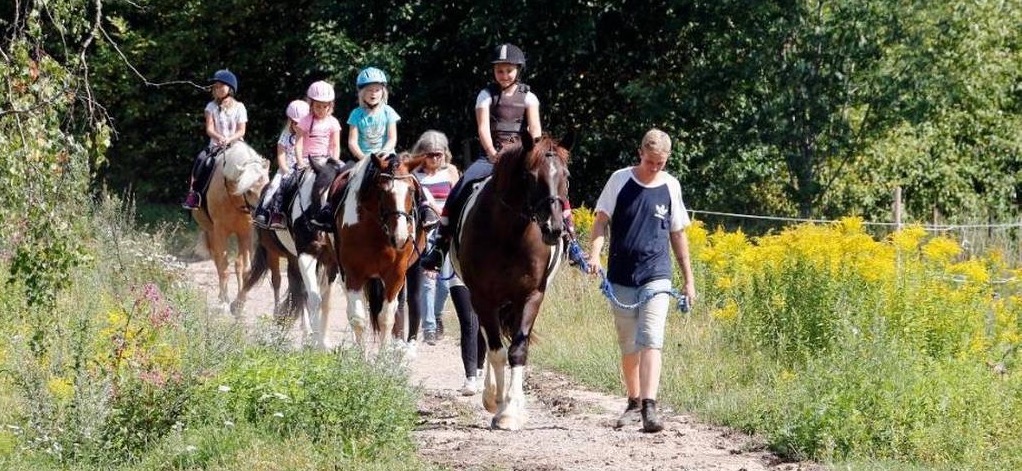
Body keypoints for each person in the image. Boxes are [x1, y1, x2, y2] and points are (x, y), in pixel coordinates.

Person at [585, 129, 697, 433]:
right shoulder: (620, 180)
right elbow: (600, 222)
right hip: (622, 273)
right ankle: (633, 401)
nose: (654, 167)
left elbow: (678, 234)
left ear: (667, 159)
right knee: (629, 344)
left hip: (657, 273)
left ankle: (650, 407)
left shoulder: (671, 186)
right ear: (640, 153)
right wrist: (595, 254)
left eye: (660, 163)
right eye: (650, 162)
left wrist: (689, 279)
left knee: (651, 338)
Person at [419, 43, 542, 270]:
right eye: (499, 71)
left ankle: (567, 232)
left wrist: (530, 153)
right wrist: (493, 154)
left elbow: (535, 129)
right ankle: (440, 245)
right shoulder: (485, 95)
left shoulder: (529, 97)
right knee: (459, 188)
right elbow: (483, 129)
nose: (504, 75)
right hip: (491, 157)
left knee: (550, 183)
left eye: (509, 70)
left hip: (521, 158)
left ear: (518, 70)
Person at [410, 131, 461, 345]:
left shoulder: (450, 172)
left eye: (439, 154)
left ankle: (437, 314)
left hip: (446, 231)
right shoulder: (415, 176)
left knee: (445, 283)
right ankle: (429, 327)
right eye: (430, 154)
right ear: (422, 154)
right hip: (426, 230)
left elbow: (458, 198)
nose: (435, 159)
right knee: (429, 282)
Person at [182, 69, 247, 209]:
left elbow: (241, 130)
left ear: (230, 88)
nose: (218, 89)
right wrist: (220, 138)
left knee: (253, 164)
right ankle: (194, 194)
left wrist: (229, 139)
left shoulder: (240, 107)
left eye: (221, 86)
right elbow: (209, 129)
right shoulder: (210, 107)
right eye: (215, 87)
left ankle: (258, 200)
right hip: (216, 146)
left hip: (236, 146)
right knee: (201, 160)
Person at [254, 100, 310, 229]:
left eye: (301, 123)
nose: (298, 126)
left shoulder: (309, 137)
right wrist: (285, 169)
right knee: (274, 186)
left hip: (305, 168)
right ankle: (265, 211)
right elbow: (281, 155)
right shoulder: (285, 136)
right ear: (290, 121)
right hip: (287, 168)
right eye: (295, 123)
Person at [296, 80, 343, 230]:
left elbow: (335, 145)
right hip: (308, 160)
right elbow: (298, 143)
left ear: (331, 105)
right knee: (286, 181)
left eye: (325, 106)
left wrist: (334, 163)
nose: (321, 109)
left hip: (328, 160)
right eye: (318, 106)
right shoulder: (304, 121)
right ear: (311, 104)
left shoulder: (333, 122)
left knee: (344, 179)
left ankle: (333, 210)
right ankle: (277, 209)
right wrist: (300, 161)